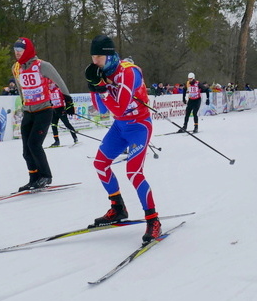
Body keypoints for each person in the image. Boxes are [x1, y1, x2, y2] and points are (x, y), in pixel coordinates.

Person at [85, 34, 160, 243]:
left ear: (109, 56)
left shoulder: (129, 72)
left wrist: (102, 89)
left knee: (134, 173)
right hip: (120, 127)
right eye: (93, 57)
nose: (95, 62)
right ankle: (117, 207)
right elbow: (101, 110)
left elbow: (119, 107)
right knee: (100, 164)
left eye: (98, 57)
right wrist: (94, 87)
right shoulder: (102, 71)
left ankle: (153, 220)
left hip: (139, 127)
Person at [11, 37, 74, 191]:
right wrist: (24, 104)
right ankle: (33, 178)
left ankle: (46, 175)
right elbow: (21, 89)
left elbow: (59, 81)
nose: (17, 54)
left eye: (20, 50)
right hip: (29, 112)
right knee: (26, 149)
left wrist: (68, 100)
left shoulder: (42, 65)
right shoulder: (16, 68)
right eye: (15, 51)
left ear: (28, 50)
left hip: (44, 111)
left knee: (34, 144)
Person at [48, 81, 78, 147]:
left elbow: (67, 99)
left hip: (61, 109)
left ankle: (75, 137)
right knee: (53, 125)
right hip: (53, 110)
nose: (49, 85)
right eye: (48, 84)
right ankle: (56, 141)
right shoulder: (48, 92)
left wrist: (68, 108)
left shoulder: (58, 90)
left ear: (54, 84)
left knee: (67, 124)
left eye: (51, 84)